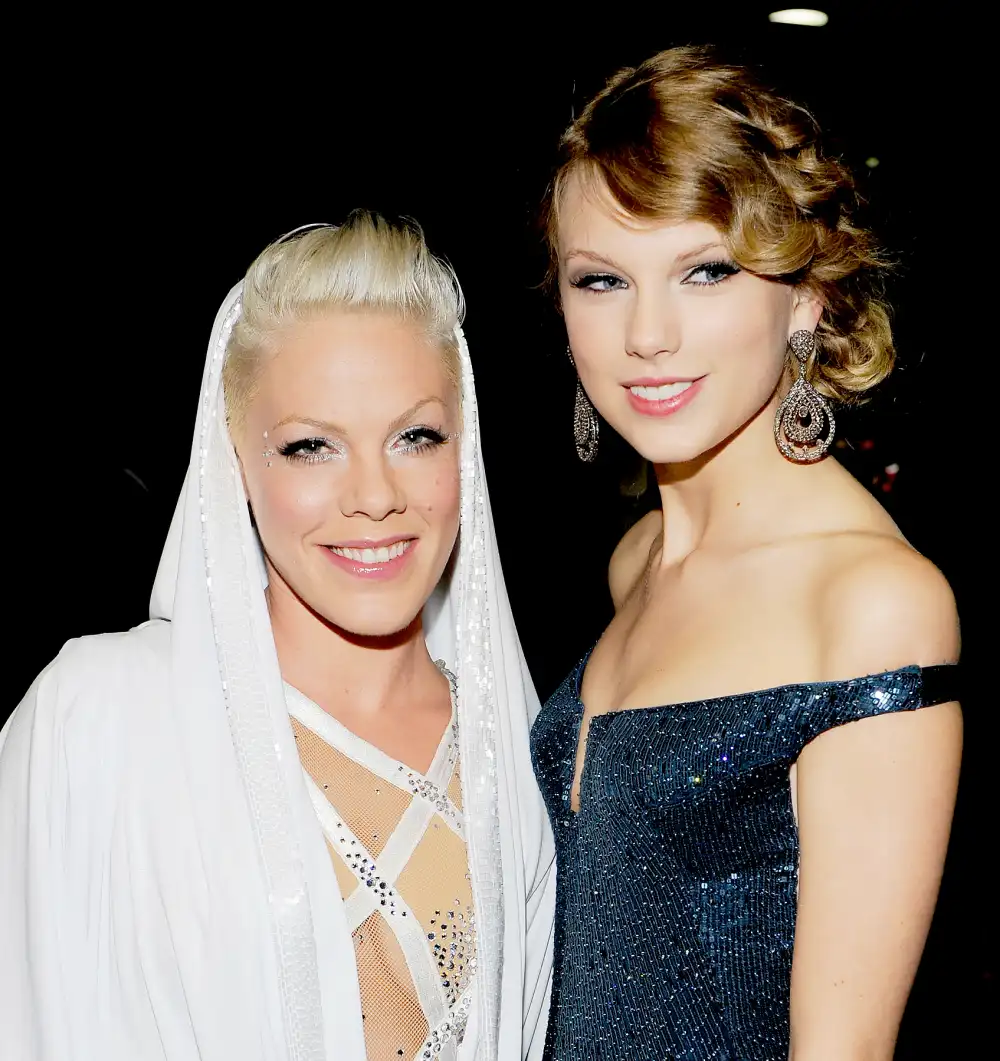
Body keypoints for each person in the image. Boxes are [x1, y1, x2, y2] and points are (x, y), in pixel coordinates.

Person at [1, 213, 554, 1061]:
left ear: (465, 449)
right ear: (236, 461)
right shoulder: (99, 718)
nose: (374, 495)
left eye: (415, 437)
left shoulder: (525, 754)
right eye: (309, 447)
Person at [529, 46, 961, 1061]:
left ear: (806, 296)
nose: (646, 334)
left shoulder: (870, 603)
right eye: (601, 280)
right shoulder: (636, 561)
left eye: (706, 271)